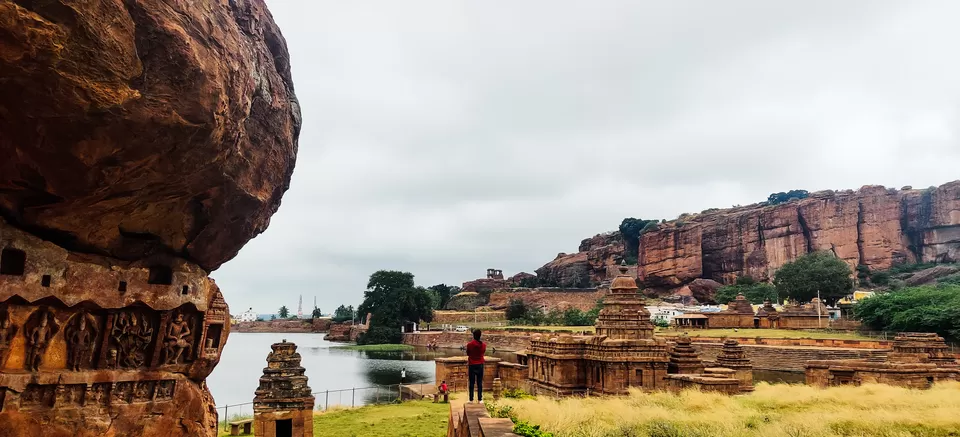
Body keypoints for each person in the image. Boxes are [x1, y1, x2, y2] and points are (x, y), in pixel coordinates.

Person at [466, 329, 486, 403]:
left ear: (473, 335)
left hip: (472, 364)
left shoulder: (470, 345)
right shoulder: (483, 345)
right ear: (480, 336)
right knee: (479, 382)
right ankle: (480, 399)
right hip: (480, 364)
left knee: (471, 382)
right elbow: (483, 353)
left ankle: (471, 399)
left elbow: (468, 353)